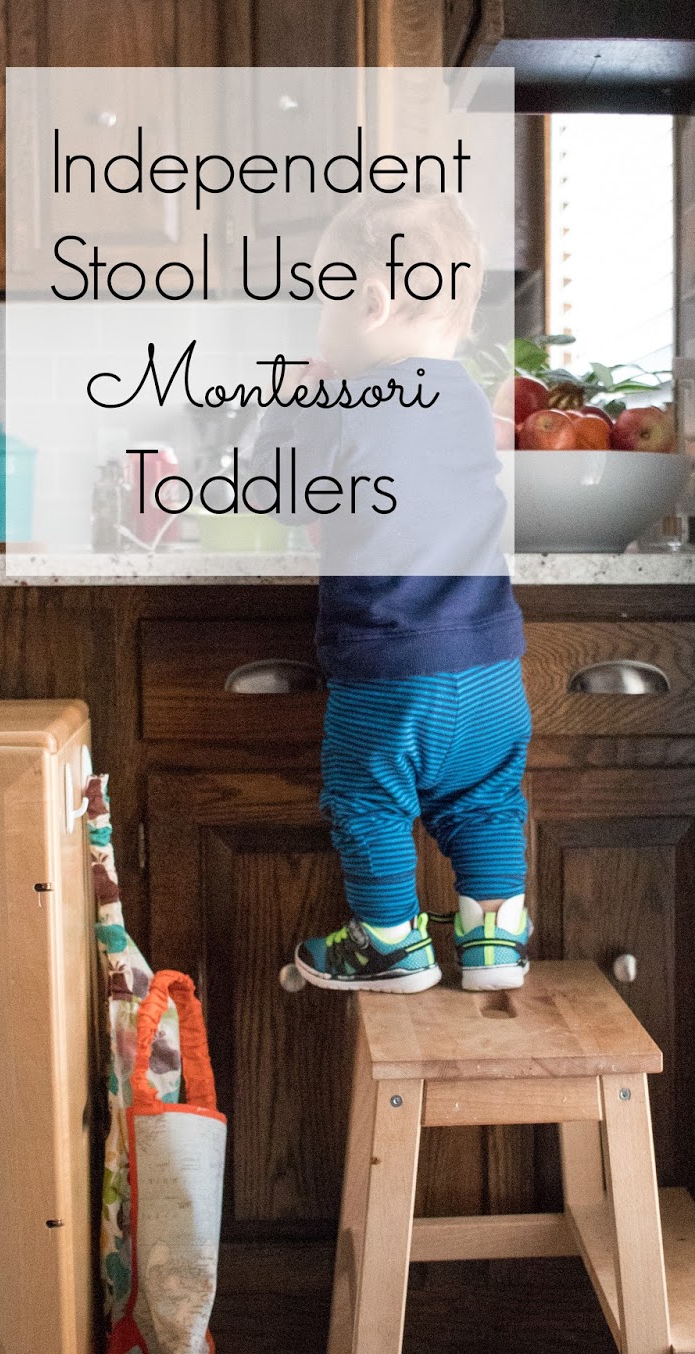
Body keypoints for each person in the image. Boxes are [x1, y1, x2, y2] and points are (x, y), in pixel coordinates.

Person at [248, 192, 531, 992]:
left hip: (391, 673)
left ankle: (389, 942)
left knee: (367, 802)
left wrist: (288, 406)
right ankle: (492, 945)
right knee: (484, 803)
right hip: (490, 670)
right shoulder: (469, 400)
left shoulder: (345, 398)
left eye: (319, 302)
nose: (316, 325)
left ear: (369, 304)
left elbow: (277, 497)